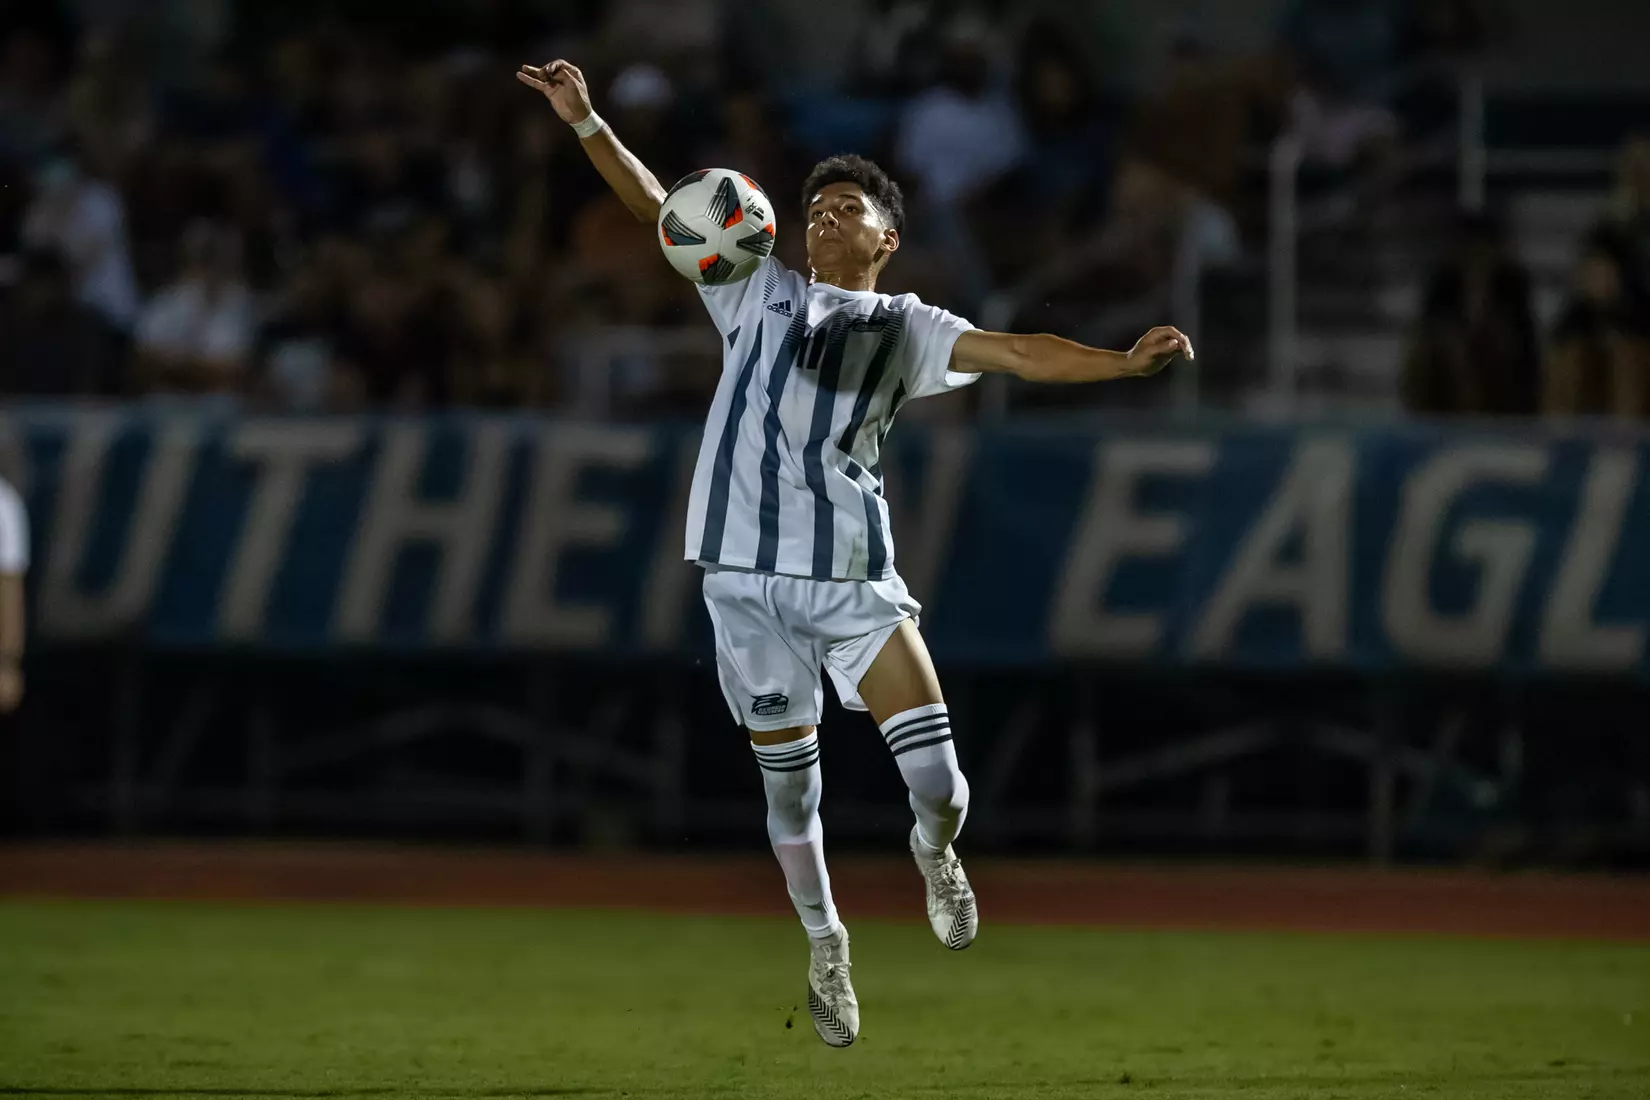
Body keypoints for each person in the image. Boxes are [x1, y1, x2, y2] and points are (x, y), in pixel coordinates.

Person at [518, 58, 1193, 1049]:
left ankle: (934, 850)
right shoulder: (749, 289)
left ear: (890, 235)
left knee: (944, 786)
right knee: (791, 788)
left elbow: (1020, 349)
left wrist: (1122, 362)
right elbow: (659, 206)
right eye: (815, 207)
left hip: (853, 582)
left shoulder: (909, 329)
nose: (823, 217)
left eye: (846, 207)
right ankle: (826, 939)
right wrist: (587, 124)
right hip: (742, 586)